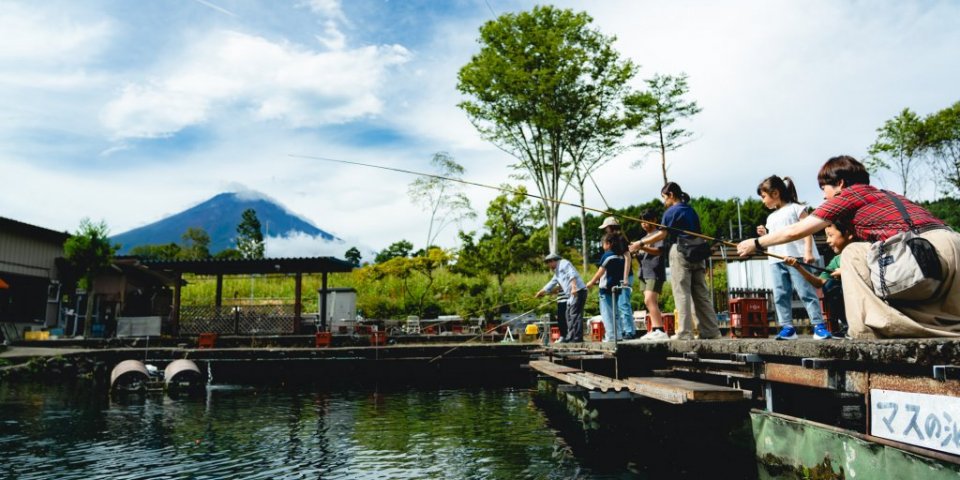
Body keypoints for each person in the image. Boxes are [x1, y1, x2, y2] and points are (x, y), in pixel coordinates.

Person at [737, 155, 960, 339]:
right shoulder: (888, 194)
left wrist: (756, 243)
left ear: (840, 184)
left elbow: (797, 230)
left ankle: (866, 331)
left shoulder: (848, 195)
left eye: (824, 188)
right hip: (951, 241)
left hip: (914, 249)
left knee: (853, 253)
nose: (823, 195)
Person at [630, 182, 720, 340]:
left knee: (682, 293)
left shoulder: (671, 211)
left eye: (664, 197)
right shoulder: (690, 210)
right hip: (698, 253)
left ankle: (685, 333)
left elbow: (662, 234)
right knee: (701, 294)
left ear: (671, 195)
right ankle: (711, 331)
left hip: (680, 252)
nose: (664, 201)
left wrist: (641, 243)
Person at [756, 175, 830, 340]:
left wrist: (808, 251)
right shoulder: (770, 217)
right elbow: (775, 239)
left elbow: (808, 230)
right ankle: (787, 327)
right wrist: (765, 235)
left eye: (764, 197)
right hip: (776, 259)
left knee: (806, 292)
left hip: (797, 257)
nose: (763, 201)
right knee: (780, 294)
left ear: (775, 193)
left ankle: (818, 325)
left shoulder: (796, 208)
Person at [785, 219, 856, 337]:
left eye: (831, 235)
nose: (827, 241)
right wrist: (798, 267)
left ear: (848, 234)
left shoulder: (863, 250)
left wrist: (845, 272)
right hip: (851, 304)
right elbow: (819, 283)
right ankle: (848, 326)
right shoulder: (836, 260)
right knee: (830, 285)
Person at [585, 233, 628, 342]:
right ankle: (618, 335)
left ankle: (611, 336)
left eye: (603, 243)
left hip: (605, 289)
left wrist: (591, 282)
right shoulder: (621, 256)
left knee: (607, 313)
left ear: (608, 244)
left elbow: (601, 271)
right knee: (616, 312)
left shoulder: (607, 255)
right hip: (616, 288)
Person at [634, 210, 669, 341]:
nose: (643, 224)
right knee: (648, 302)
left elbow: (659, 252)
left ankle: (660, 330)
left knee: (650, 300)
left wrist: (641, 247)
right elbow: (644, 257)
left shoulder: (658, 235)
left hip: (655, 272)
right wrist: (636, 253)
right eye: (641, 221)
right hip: (644, 273)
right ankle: (655, 329)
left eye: (646, 220)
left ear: (654, 219)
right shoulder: (643, 238)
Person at [599, 216, 637, 339]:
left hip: (624, 277)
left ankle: (629, 331)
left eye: (606, 228)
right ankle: (621, 332)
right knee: (618, 306)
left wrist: (625, 277)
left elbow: (628, 257)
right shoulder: (614, 240)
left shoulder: (620, 238)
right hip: (617, 278)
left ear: (610, 227)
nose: (605, 231)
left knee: (623, 303)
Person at [536, 253, 587, 343]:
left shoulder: (563, 263)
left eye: (548, 263)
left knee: (574, 314)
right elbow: (551, 283)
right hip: (571, 295)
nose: (548, 266)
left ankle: (577, 338)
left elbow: (572, 273)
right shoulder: (557, 272)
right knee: (568, 315)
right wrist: (541, 292)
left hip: (578, 291)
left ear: (552, 261)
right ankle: (570, 337)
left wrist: (574, 287)